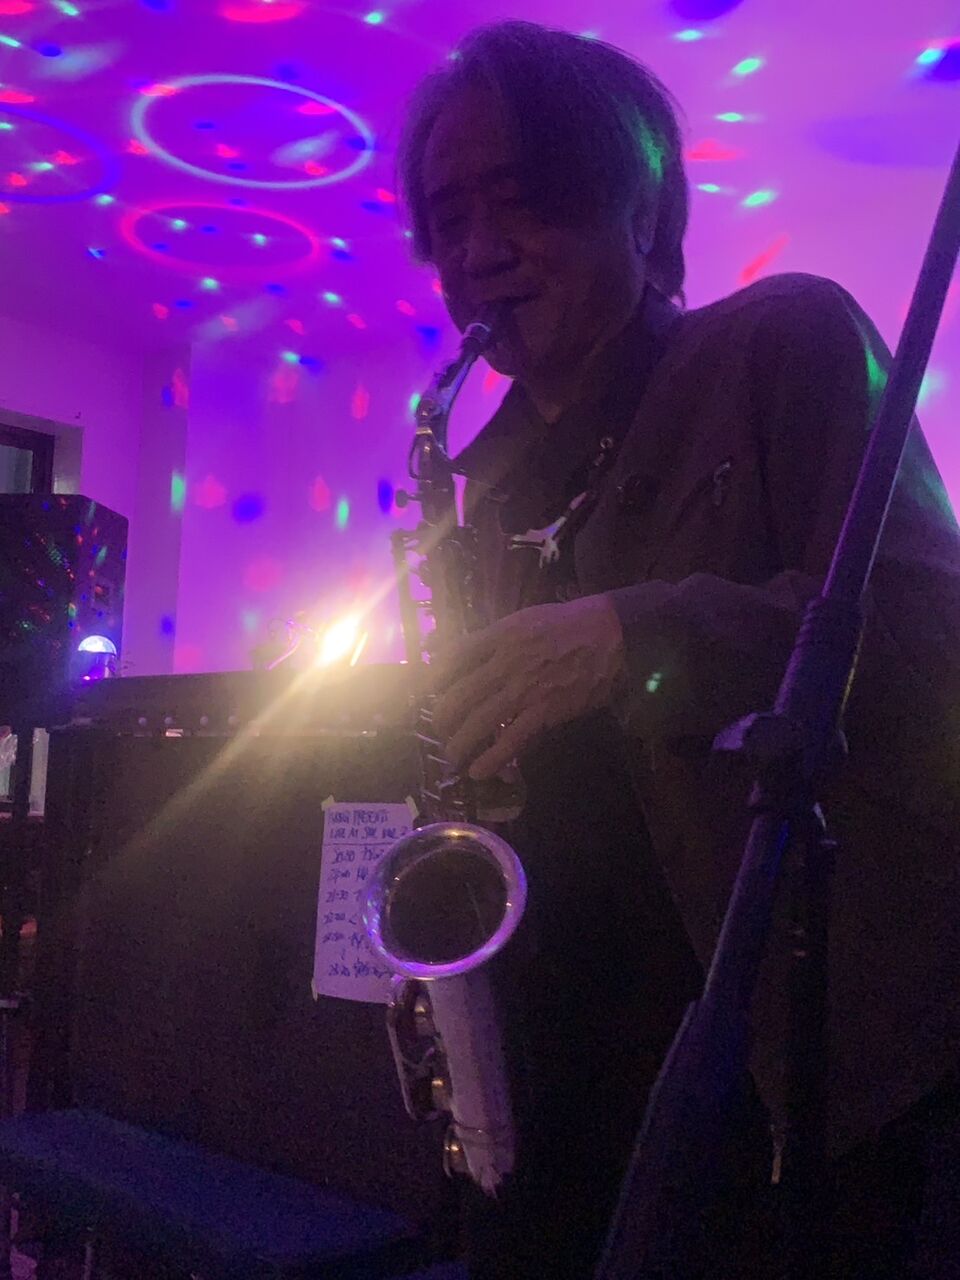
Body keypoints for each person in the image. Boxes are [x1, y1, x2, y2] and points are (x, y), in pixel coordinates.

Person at [396, 20, 960, 1279]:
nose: (479, 252)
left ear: (642, 212)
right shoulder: (479, 496)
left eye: (522, 199)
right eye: (450, 219)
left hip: (786, 1081)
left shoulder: (782, 341)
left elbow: (932, 642)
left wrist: (639, 638)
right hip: (565, 1077)